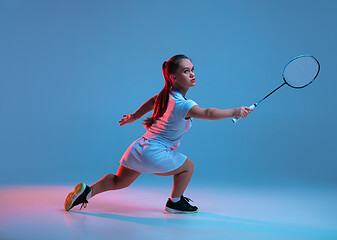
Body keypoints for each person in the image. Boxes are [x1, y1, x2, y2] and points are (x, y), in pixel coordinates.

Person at [64, 54, 252, 214]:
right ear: (173, 77)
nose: (192, 74)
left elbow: (153, 100)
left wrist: (135, 116)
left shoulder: (167, 94)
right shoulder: (183, 104)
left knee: (118, 181)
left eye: (193, 69)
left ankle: (86, 192)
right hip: (155, 153)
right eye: (186, 71)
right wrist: (235, 111)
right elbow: (208, 113)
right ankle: (175, 202)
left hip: (139, 148)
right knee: (187, 166)